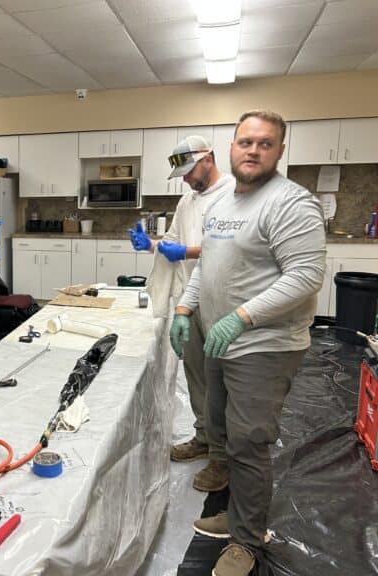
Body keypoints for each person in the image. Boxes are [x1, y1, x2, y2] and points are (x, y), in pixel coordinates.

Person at [170, 110, 325, 576]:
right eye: (245, 142)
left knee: (249, 442)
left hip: (264, 345)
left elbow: (307, 275)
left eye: (265, 143)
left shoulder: (291, 203)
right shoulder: (221, 206)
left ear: (279, 151)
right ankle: (239, 514)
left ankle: (247, 540)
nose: (253, 150)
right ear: (231, 148)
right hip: (220, 340)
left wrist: (241, 317)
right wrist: (184, 309)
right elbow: (206, 267)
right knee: (220, 431)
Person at [129, 135, 235, 492]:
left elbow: (227, 248)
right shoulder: (187, 201)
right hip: (191, 298)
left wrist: (184, 252)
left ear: (209, 159)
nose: (188, 179)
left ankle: (223, 459)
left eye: (190, 171)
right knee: (196, 375)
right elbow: (174, 239)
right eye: (183, 174)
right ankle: (204, 437)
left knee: (221, 380)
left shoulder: (234, 194)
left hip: (223, 302)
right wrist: (153, 245)